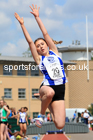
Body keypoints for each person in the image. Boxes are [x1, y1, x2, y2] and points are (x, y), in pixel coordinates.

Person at [14, 4, 67, 129]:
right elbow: (30, 42)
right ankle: (41, 115)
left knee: (59, 125)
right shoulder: (39, 59)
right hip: (47, 87)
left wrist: (37, 17)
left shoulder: (54, 52)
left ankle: (46, 102)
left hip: (60, 89)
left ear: (48, 45)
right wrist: (22, 24)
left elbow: (45, 32)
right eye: (38, 46)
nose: (41, 47)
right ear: (37, 50)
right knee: (49, 93)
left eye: (42, 44)